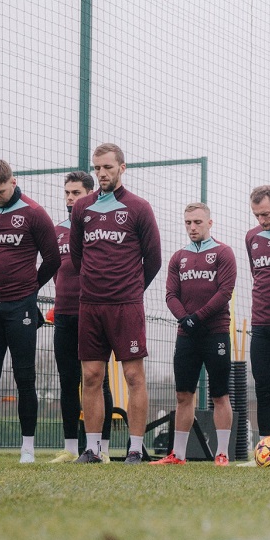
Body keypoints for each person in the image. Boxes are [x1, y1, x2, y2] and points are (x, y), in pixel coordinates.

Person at [70, 143, 161, 464]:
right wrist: (96, 285)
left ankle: (135, 448)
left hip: (127, 306)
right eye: (97, 168)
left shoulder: (139, 207)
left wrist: (131, 289)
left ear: (122, 167)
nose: (102, 173)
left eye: (107, 167)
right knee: (92, 376)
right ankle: (92, 449)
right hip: (90, 305)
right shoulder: (82, 208)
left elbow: (153, 259)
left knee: (134, 376)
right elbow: (78, 256)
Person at [0, 159, 60, 463]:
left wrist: (29, 287)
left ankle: (28, 449)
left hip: (21, 305)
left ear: (14, 181)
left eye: (1, 190)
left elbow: (52, 259)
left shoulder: (34, 213)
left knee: (25, 377)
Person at [153, 203, 237, 465]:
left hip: (215, 333)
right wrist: (184, 320)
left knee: (219, 395)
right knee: (183, 395)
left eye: (197, 222)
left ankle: (221, 453)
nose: (192, 227)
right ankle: (178, 455)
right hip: (186, 335)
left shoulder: (223, 252)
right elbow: (170, 295)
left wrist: (197, 318)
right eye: (188, 222)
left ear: (210, 223)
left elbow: (224, 292)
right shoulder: (178, 257)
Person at [48, 171, 113, 464]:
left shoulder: (100, 226)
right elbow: (53, 268)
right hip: (64, 313)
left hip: (95, 312)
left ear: (90, 194)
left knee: (100, 381)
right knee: (67, 380)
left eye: (76, 193)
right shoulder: (57, 230)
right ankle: (71, 448)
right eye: (68, 193)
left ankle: (104, 449)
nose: (71, 198)